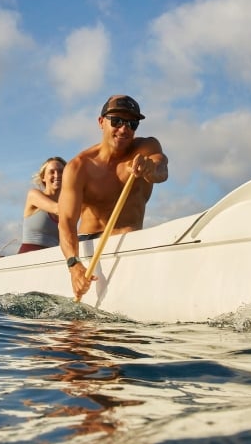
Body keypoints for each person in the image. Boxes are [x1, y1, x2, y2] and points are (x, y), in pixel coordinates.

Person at [58, 94, 168, 299]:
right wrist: (74, 265)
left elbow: (161, 167)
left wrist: (150, 168)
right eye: (116, 121)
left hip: (130, 242)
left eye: (131, 123)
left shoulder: (146, 148)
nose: (124, 128)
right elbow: (66, 221)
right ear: (101, 122)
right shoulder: (79, 167)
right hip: (89, 246)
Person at [17, 156, 67, 253]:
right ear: (43, 177)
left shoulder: (65, 204)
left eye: (61, 171)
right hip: (29, 257)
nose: (57, 175)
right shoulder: (33, 195)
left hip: (52, 257)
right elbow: (56, 208)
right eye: (52, 172)